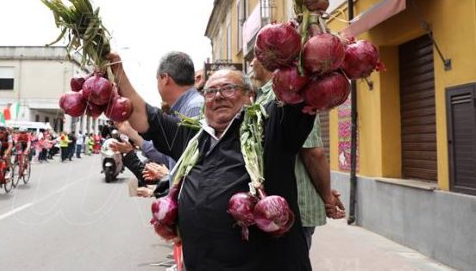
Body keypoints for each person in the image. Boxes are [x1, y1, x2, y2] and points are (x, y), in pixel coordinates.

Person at [110, 52, 316, 271]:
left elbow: (299, 91)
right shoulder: (192, 136)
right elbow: (142, 115)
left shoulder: (270, 128)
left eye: (229, 88)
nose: (218, 96)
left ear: (249, 96)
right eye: (211, 92)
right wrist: (118, 71)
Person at [250, 57, 346, 250]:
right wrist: (327, 194)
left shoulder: (289, 96)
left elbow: (312, 153)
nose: (251, 63)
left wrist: (327, 197)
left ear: (270, 61)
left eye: (256, 57)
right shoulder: (266, 96)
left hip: (297, 207)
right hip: (279, 206)